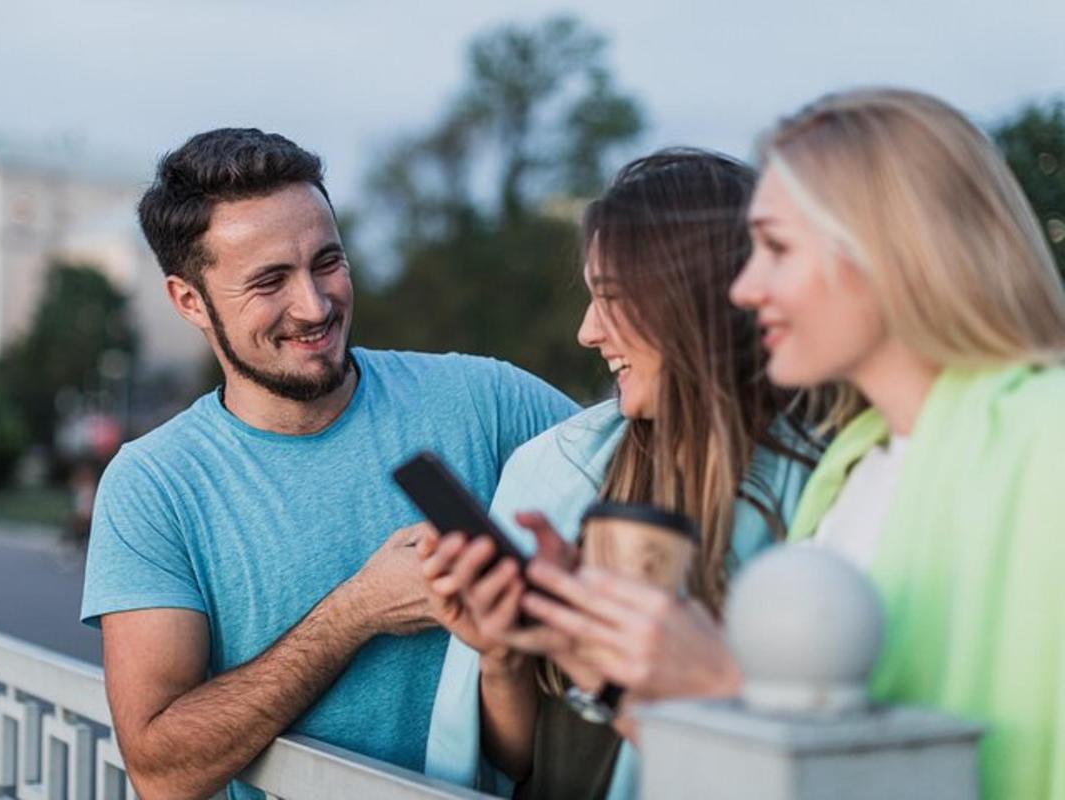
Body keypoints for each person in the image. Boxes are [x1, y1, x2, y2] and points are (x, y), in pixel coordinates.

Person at [513, 89, 1065, 799]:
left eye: (776, 247)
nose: (744, 288)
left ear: (887, 246)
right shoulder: (850, 475)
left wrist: (728, 689)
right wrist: (609, 663)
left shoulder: (1045, 446)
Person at [79, 129, 577, 800]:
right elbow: (161, 769)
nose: (315, 306)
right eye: (269, 282)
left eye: (327, 262)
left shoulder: (486, 400)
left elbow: (655, 481)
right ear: (189, 301)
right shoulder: (153, 486)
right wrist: (357, 611)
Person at [418, 149, 818, 800]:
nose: (586, 332)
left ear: (691, 302)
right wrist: (501, 656)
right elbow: (513, 766)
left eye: (609, 299)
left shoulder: (824, 491)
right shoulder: (552, 468)